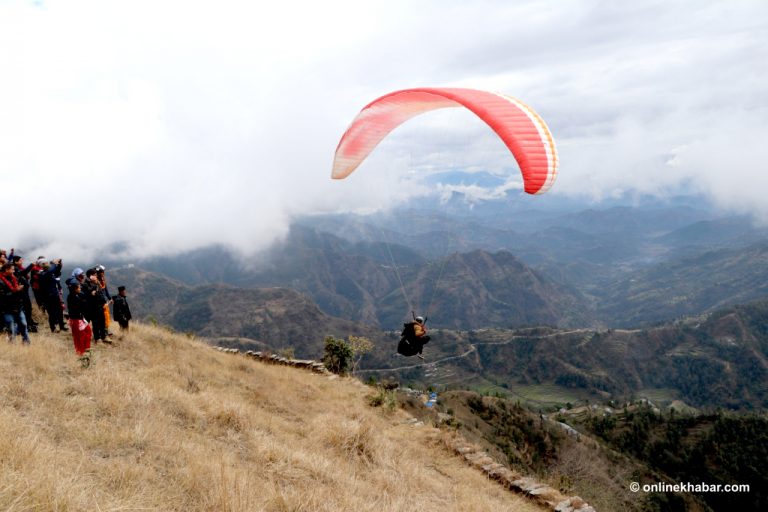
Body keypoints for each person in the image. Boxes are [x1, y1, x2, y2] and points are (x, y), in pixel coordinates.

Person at [0, 263, 31, 344]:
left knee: (24, 324)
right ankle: (12, 344)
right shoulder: (0, 281)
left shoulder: (14, 278)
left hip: (18, 306)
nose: (14, 271)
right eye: (12, 269)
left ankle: (26, 342)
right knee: (10, 327)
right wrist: (16, 291)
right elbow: (2, 297)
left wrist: (20, 289)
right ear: (6, 270)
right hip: (6, 308)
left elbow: (23, 288)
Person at [67, 281, 93, 367]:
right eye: (78, 288)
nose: (80, 289)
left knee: (88, 331)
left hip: (80, 319)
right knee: (79, 337)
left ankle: (86, 349)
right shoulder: (72, 298)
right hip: (76, 320)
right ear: (75, 289)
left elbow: (84, 297)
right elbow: (83, 304)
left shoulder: (77, 295)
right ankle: (81, 354)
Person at [39, 259, 68, 333]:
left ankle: (62, 326)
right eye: (45, 263)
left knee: (60, 310)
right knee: (51, 312)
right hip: (48, 296)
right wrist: (55, 263)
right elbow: (51, 270)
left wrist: (59, 264)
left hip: (55, 294)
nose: (46, 264)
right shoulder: (43, 274)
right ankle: (53, 328)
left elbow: (57, 271)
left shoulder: (49, 273)